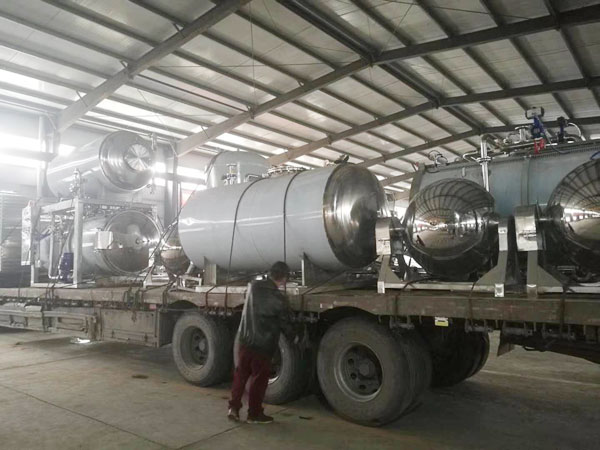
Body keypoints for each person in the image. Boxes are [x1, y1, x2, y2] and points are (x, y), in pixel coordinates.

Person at [228, 261, 292, 424]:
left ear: (270, 273)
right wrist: (297, 338)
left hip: (245, 340)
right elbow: (286, 324)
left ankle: (233, 409)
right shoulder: (279, 299)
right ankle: (254, 414)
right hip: (263, 345)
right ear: (284, 278)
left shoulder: (253, 286)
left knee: (241, 375)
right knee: (258, 380)